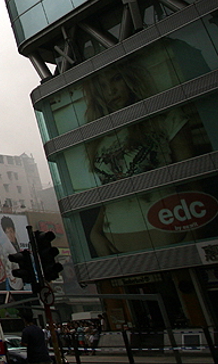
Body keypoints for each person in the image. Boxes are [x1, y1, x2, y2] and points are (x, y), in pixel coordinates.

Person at [82, 64, 199, 255]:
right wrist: (95, 233)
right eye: (102, 86)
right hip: (117, 246)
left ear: (130, 79)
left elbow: (193, 181)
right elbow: (110, 193)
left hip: (172, 237)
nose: (111, 91)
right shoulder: (97, 139)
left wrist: (195, 236)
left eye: (116, 79)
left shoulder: (164, 118)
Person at [0, 216, 24, 290]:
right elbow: (6, 265)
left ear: (14, 230)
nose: (10, 234)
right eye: (7, 232)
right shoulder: (5, 248)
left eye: (11, 231)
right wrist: (11, 277)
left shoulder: (21, 240)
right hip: (16, 280)